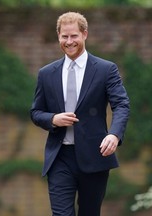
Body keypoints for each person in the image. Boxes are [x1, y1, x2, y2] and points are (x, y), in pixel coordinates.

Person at [30, 12, 129, 216]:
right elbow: (36, 112)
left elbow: (121, 105)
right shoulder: (47, 73)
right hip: (60, 157)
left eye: (74, 36)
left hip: (94, 155)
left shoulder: (105, 69)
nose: (69, 41)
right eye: (64, 36)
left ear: (85, 34)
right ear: (58, 36)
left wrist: (114, 134)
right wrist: (52, 119)